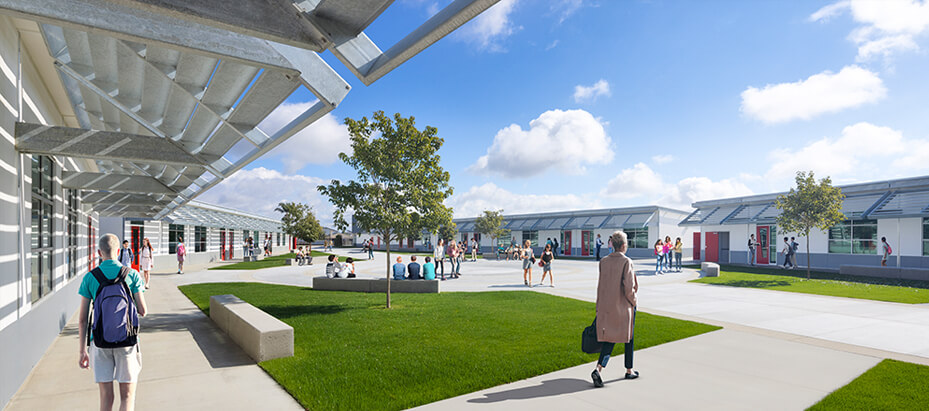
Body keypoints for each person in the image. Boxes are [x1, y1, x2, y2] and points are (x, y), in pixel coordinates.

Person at [77, 233, 148, 411]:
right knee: (127, 397)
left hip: (100, 342)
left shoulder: (90, 277)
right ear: (118, 251)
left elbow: (82, 319)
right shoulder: (132, 274)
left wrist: (82, 351)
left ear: (99, 252)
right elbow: (143, 311)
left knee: (106, 398)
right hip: (127, 341)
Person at [591, 230, 639, 388]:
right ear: (624, 245)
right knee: (628, 337)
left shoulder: (603, 261)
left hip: (606, 305)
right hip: (623, 305)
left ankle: (598, 369)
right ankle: (629, 369)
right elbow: (629, 288)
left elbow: (601, 286)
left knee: (610, 338)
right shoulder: (627, 262)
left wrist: (599, 306)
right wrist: (634, 302)